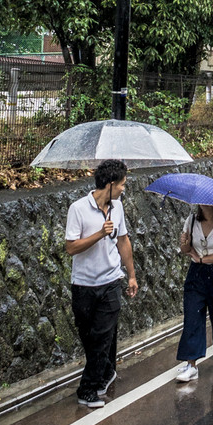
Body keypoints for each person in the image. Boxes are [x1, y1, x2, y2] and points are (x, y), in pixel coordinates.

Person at [64, 158, 138, 409]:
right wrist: (99, 234)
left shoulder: (118, 208)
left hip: (110, 282)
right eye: (122, 185)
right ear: (109, 184)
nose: (123, 189)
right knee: (90, 340)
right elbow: (71, 248)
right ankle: (106, 372)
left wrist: (131, 275)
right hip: (83, 286)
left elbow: (124, 241)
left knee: (101, 337)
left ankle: (87, 390)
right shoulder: (78, 209)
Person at [174, 204, 213, 380]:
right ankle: (191, 364)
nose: (203, 203)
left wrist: (204, 259)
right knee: (192, 316)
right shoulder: (191, 220)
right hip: (196, 274)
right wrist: (185, 243)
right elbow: (186, 250)